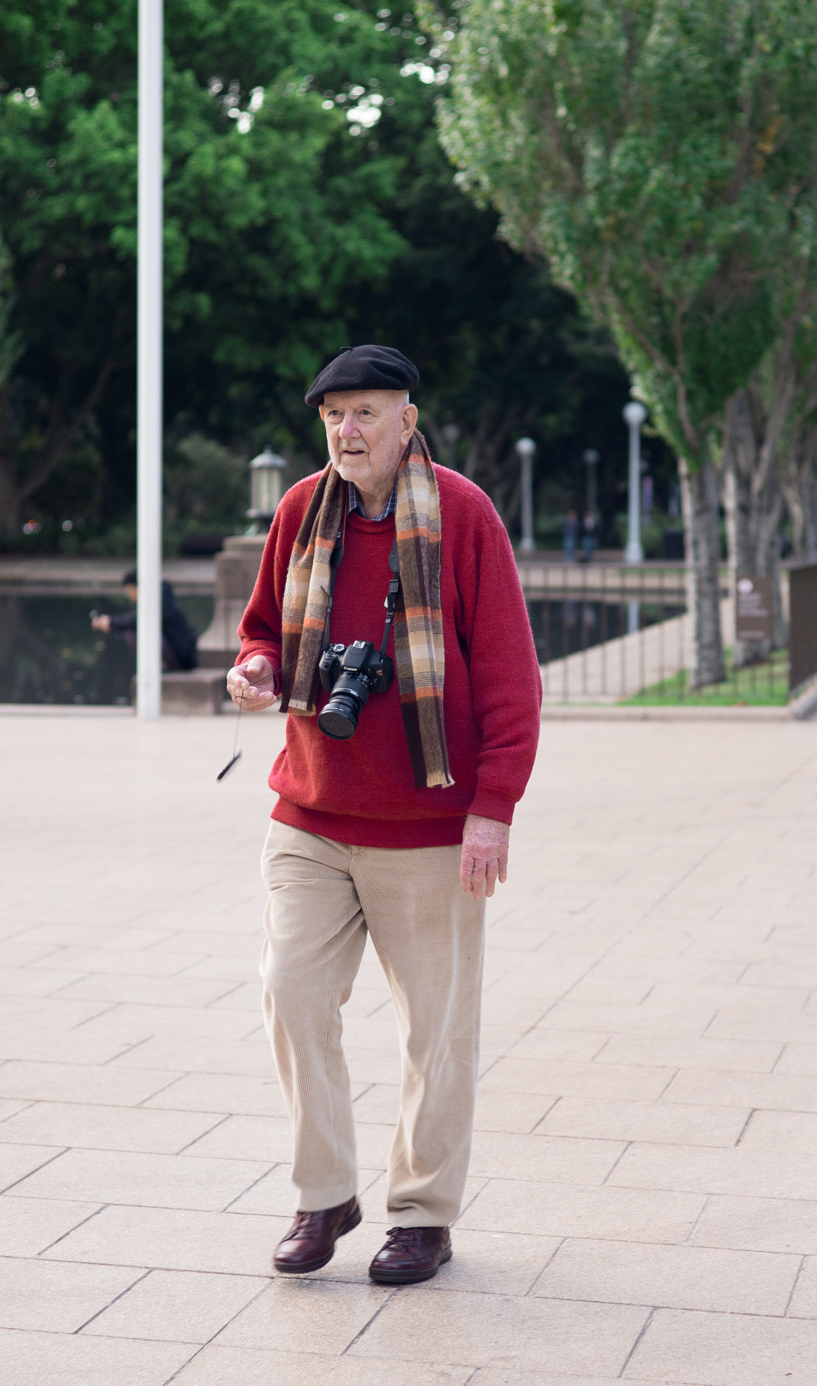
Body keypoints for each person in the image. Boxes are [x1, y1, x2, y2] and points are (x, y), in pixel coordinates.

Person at [227, 344, 540, 1287]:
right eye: (334, 417)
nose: (348, 432)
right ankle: (324, 1193)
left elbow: (510, 676)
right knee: (289, 990)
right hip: (311, 810)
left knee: (435, 1031)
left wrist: (494, 808)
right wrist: (255, 673)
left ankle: (422, 1215)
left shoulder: (465, 516)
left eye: (366, 413)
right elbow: (260, 631)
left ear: (408, 419)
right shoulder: (301, 511)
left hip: (432, 827)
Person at [90, 569, 199, 670]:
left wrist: (111, 623)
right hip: (179, 652)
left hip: (181, 656)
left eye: (130, 590)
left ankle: (157, 666)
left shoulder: (161, 600)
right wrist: (112, 624)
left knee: (133, 633)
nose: (129, 595)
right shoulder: (159, 597)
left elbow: (138, 619)